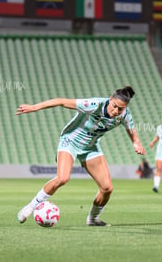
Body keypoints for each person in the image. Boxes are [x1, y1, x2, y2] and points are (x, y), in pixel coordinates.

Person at [16, 86, 145, 226]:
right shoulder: (95, 105)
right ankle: (30, 207)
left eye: (121, 109)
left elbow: (132, 132)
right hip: (70, 141)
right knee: (62, 178)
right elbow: (61, 101)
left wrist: (136, 143)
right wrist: (34, 107)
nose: (116, 111)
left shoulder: (125, 115)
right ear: (110, 99)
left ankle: (93, 219)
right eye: (114, 106)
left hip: (91, 147)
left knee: (107, 188)